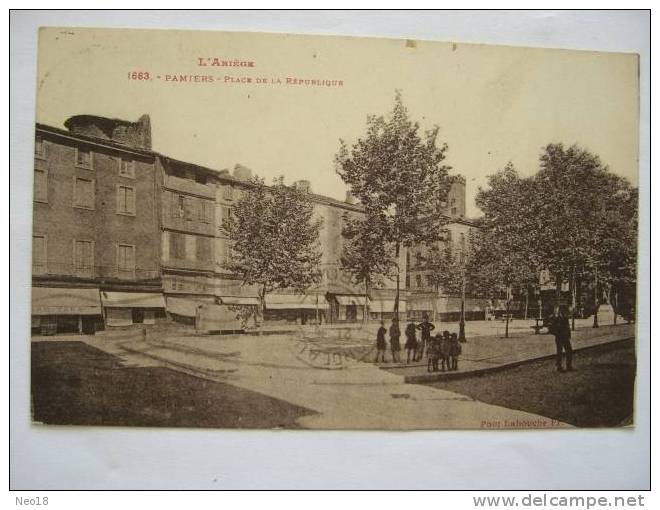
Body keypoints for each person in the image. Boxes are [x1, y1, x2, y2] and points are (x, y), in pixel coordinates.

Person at [549, 307, 573, 372]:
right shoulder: (554, 318)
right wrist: (557, 333)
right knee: (559, 352)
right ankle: (558, 366)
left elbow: (567, 327)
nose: (561, 312)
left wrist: (569, 335)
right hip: (559, 337)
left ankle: (569, 366)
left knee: (569, 350)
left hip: (565, 337)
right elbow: (551, 328)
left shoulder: (565, 318)